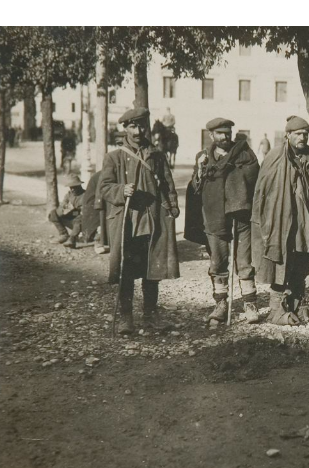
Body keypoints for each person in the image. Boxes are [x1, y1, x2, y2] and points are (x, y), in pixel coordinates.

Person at [96, 107, 181, 334]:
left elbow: (167, 184)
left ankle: (150, 315)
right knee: (126, 270)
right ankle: (126, 317)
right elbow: (104, 187)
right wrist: (121, 190)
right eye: (133, 126)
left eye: (141, 126)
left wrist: (173, 206)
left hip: (152, 220)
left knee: (152, 270)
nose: (138, 131)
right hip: (128, 223)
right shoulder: (114, 157)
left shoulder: (157, 156)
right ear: (125, 128)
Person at [252, 116, 309, 325]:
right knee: (281, 262)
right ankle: (276, 309)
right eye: (298, 134)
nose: (302, 137)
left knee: (302, 260)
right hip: (282, 220)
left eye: (305, 134)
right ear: (287, 134)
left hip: (305, 221)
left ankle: (297, 303)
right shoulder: (276, 157)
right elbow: (263, 190)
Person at [186, 117, 262, 328]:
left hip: (241, 216)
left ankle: (250, 303)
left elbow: (254, 179)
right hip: (214, 216)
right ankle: (220, 304)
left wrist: (237, 194)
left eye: (227, 132)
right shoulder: (203, 157)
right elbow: (196, 188)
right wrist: (200, 170)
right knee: (218, 262)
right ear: (211, 135)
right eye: (220, 133)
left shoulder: (246, 154)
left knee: (244, 262)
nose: (225, 137)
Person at [48, 173, 85, 248]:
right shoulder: (68, 195)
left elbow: (86, 212)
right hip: (70, 217)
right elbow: (62, 207)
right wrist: (64, 209)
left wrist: (75, 210)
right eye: (71, 187)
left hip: (81, 222)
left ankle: (72, 239)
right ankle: (63, 234)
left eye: (75, 187)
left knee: (79, 218)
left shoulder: (85, 195)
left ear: (79, 185)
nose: (72, 189)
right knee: (53, 214)